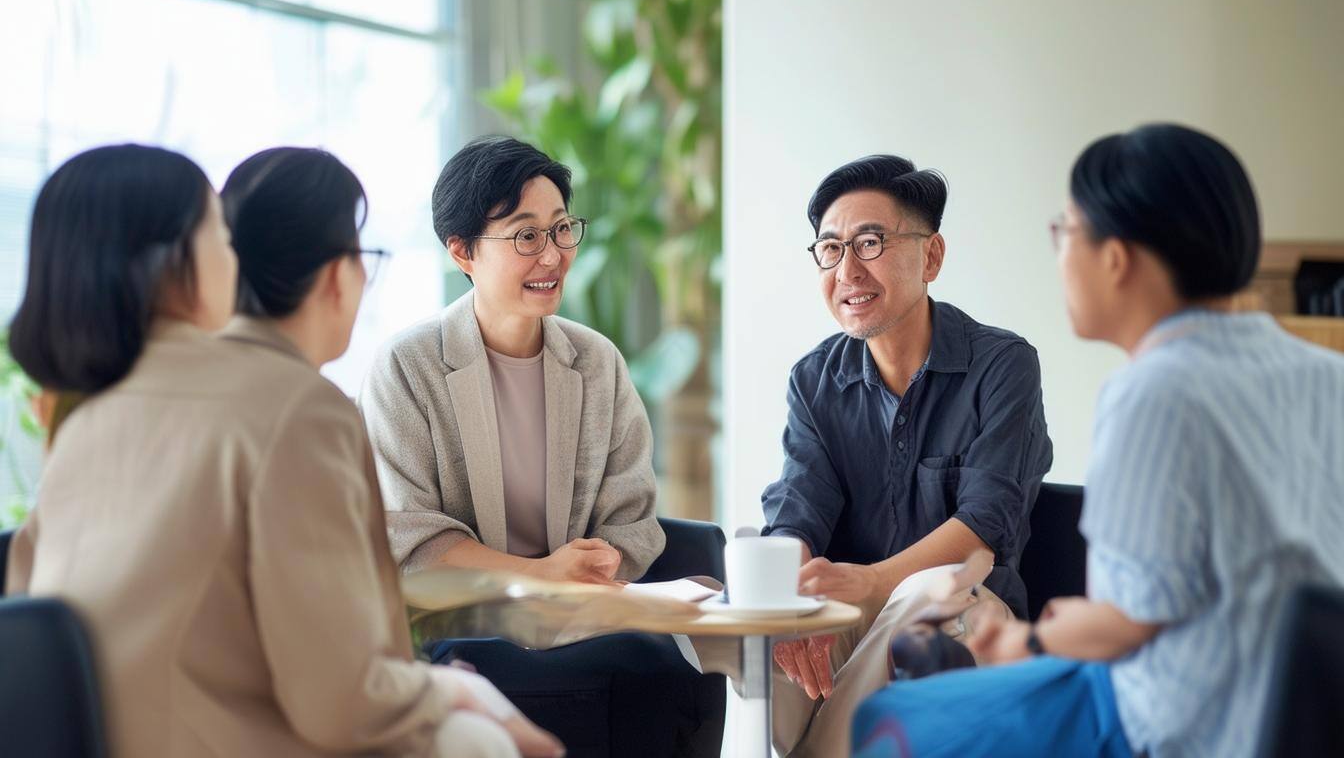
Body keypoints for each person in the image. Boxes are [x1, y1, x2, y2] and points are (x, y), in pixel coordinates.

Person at [5, 143, 561, 757]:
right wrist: (453, 697)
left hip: (92, 736)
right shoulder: (302, 407)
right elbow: (340, 699)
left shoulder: (92, 412)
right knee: (483, 737)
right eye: (218, 233)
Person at [853, 124, 1344, 757]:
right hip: (1307, 717)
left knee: (890, 722)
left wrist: (1026, 642)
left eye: (1067, 231)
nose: (1061, 254)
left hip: (1176, 716)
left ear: (1116, 257)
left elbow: (1133, 621)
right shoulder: (1327, 375)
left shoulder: (1153, 391)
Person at [361, 136, 715, 755]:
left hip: (585, 620)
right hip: (461, 628)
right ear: (463, 250)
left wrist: (588, 575)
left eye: (561, 230)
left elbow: (631, 515)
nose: (551, 255)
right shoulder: (406, 366)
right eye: (526, 236)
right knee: (641, 668)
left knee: (664, 663)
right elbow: (407, 539)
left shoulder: (596, 361)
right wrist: (539, 578)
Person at [755, 154, 1054, 757]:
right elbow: (797, 508)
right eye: (831, 249)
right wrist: (786, 594)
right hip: (848, 610)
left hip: (966, 613)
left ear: (932, 257)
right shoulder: (813, 380)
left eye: (870, 242)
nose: (847, 269)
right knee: (763, 641)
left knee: (925, 596)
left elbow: (982, 528)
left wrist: (873, 583)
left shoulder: (1001, 366)